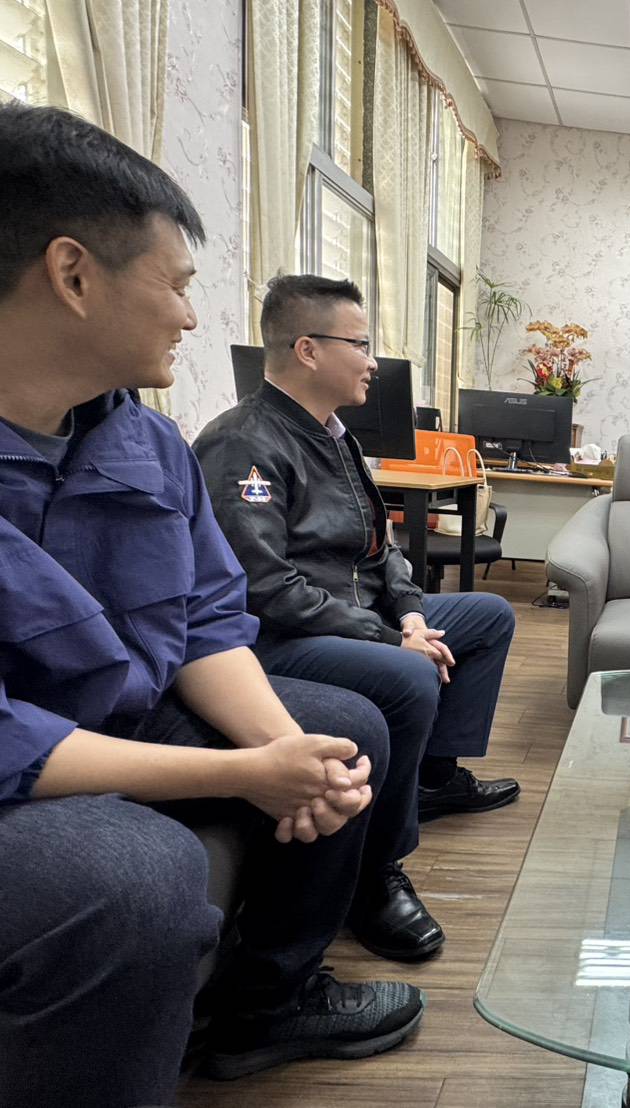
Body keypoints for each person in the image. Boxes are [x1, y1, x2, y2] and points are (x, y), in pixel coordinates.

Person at [0, 104, 425, 1102]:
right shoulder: (240, 439)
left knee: (341, 731)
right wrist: (239, 770)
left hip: (121, 712)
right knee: (134, 878)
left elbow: (204, 619)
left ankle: (264, 1007)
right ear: (73, 275)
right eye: (180, 286)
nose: (192, 319)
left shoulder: (144, 441)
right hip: (30, 753)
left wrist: (287, 756)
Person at [193, 274, 519, 965]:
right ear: (308, 350)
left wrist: (410, 616)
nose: (373, 362)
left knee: (487, 615)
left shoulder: (336, 437)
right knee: (409, 676)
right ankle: (378, 871)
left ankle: (433, 778)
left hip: (359, 619)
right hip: (283, 640)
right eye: (361, 345)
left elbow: (382, 550)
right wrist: (392, 639)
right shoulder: (242, 443)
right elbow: (265, 588)